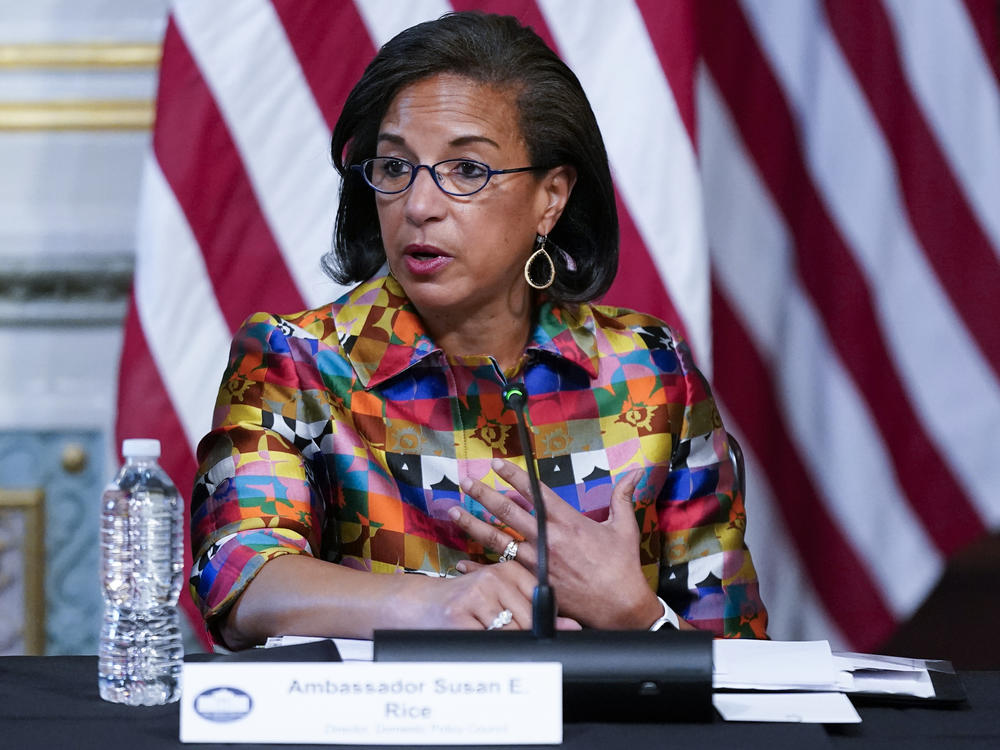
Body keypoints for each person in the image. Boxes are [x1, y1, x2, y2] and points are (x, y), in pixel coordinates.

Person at [190, 11, 768, 650]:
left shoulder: (651, 372)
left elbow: (742, 656)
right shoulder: (296, 360)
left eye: (467, 171)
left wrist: (629, 609)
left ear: (550, 197)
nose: (418, 205)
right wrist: (434, 605)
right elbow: (238, 579)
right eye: (394, 167)